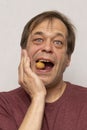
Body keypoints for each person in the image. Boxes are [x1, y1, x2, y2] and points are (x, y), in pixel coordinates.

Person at [0, 10, 87, 130]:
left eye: (57, 42)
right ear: (23, 53)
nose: (47, 48)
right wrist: (38, 97)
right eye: (38, 40)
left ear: (68, 59)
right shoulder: (3, 105)